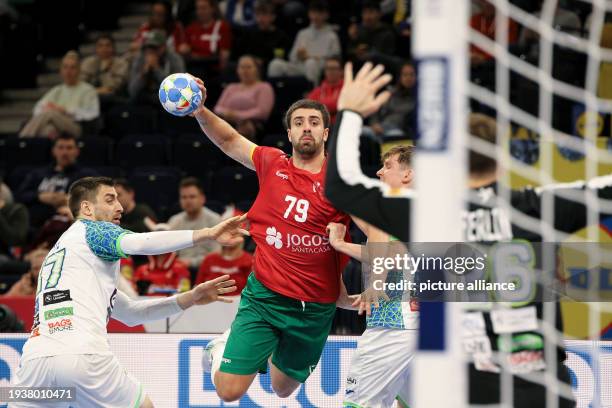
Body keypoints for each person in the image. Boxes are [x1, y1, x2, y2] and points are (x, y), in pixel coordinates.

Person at [324, 62, 606, 406]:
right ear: (503, 160)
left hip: (471, 382)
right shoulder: (537, 207)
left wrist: (350, 112)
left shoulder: (429, 215)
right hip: (540, 383)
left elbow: (341, 186)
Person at [9, 176, 247, 408]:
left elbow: (132, 314)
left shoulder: (62, 254)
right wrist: (208, 234)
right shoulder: (92, 231)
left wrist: (190, 298)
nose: (120, 207)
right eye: (110, 199)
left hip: (34, 362)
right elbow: (140, 243)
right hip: (83, 355)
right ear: (87, 208)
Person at [189, 75, 351, 402]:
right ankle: (225, 345)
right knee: (229, 391)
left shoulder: (342, 181)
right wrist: (200, 110)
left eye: (314, 122)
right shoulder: (272, 163)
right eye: (299, 122)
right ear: (289, 133)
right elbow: (229, 140)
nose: (307, 127)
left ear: (325, 133)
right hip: (265, 297)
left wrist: (349, 289)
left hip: (315, 308)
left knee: (282, 389)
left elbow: (375, 225)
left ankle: (269, 350)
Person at [327, 145, 415, 408]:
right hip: (429, 324)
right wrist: (342, 245)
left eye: (388, 166)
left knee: (359, 405)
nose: (379, 172)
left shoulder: (393, 203)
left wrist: (375, 284)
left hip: (393, 322)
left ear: (408, 174)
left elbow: (382, 245)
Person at [16, 133, 97, 227]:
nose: (64, 152)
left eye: (69, 148)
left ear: (77, 151)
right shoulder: (38, 174)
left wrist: (71, 200)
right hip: (34, 221)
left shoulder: (86, 175)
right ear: (54, 151)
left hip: (66, 221)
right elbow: (19, 196)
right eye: (60, 148)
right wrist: (39, 196)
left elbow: (97, 198)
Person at [20, 51, 100, 139]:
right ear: (61, 71)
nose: (68, 71)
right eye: (65, 67)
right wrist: (47, 109)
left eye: (72, 68)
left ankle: (22, 139)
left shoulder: (88, 90)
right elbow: (37, 109)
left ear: (79, 70)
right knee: (47, 130)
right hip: (55, 125)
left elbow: (93, 113)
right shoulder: (57, 90)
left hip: (76, 126)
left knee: (50, 113)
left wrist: (66, 111)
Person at [267, 0, 341, 85]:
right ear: (309, 14)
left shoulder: (332, 35)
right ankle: (275, 94)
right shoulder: (302, 33)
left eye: (319, 13)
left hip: (317, 68)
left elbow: (335, 59)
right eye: (313, 12)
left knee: (311, 63)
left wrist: (310, 57)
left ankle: (311, 94)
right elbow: (292, 58)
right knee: (275, 64)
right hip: (299, 67)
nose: (316, 16)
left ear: (326, 15)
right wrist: (298, 55)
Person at [214, 55, 275, 141]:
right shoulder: (231, 87)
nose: (245, 71)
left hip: (253, 124)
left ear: (257, 69)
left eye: (249, 67)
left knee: (245, 126)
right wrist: (227, 113)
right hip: (229, 121)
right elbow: (218, 108)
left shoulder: (264, 87)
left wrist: (238, 115)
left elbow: (262, 112)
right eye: (242, 67)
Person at [167, 177, 222, 269]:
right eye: (184, 197)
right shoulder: (174, 221)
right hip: (179, 270)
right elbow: (168, 252)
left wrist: (190, 262)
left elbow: (216, 254)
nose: (188, 201)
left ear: (202, 199)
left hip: (206, 270)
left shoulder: (214, 220)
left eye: (192, 197)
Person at [128, 30, 185, 105]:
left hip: (167, 100)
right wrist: (143, 73)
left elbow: (177, 90)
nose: (151, 51)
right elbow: (132, 91)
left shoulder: (174, 59)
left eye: (155, 47)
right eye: (148, 47)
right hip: (143, 99)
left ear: (163, 47)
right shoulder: (140, 59)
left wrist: (156, 69)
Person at [230, 0, 291, 70]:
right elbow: (238, 55)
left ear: (273, 17)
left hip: (269, 69)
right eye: (258, 15)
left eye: (264, 15)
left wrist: (263, 62)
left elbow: (281, 59)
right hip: (248, 67)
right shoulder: (249, 33)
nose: (260, 19)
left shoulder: (281, 36)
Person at [364, 61, 415, 140]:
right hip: (379, 129)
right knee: (362, 132)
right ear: (400, 77)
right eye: (405, 75)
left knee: (394, 135)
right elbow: (375, 111)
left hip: (399, 132)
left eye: (411, 75)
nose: (408, 78)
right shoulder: (391, 93)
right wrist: (375, 124)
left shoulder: (420, 98)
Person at [180, 0, 232, 72]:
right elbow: (184, 48)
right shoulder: (190, 29)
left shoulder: (222, 26)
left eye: (204, 8)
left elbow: (225, 52)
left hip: (214, 68)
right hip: (194, 66)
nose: (200, 12)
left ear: (212, 9)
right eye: (198, 8)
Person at [196, 231, 253, 296]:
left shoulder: (249, 260)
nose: (230, 237)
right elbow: (199, 285)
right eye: (227, 233)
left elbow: (251, 290)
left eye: (234, 234)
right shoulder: (209, 259)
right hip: (210, 301)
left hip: (238, 302)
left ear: (242, 237)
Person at [80, 34, 129, 103]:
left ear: (113, 48)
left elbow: (112, 88)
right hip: (90, 97)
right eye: (100, 46)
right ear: (96, 49)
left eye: (107, 45)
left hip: (114, 99)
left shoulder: (121, 64)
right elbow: (81, 83)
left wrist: (105, 69)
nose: (104, 49)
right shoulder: (88, 62)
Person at [306, 56, 343, 125]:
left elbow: (338, 104)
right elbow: (307, 106)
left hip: (339, 127)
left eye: (334, 68)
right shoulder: (319, 90)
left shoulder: (346, 89)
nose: (331, 71)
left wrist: (317, 106)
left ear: (341, 71)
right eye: (328, 69)